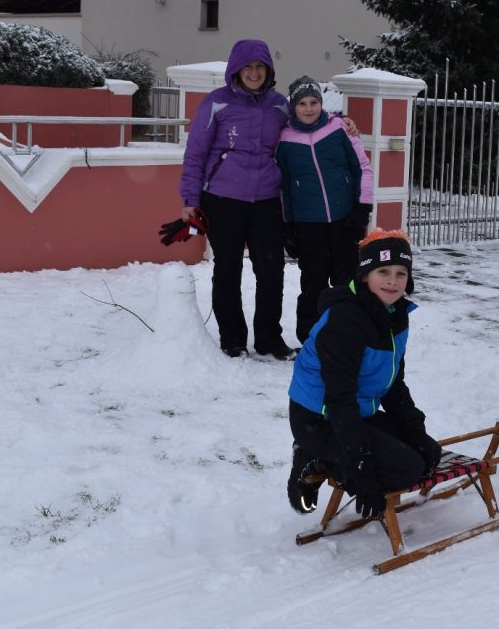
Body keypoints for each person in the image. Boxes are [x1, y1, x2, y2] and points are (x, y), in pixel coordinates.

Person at [285, 229, 442, 519]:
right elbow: (338, 396)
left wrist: (414, 430)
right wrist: (359, 466)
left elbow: (393, 384)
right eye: (383, 271)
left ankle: (334, 454)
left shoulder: (395, 316)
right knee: (404, 470)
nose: (392, 281)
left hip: (355, 413)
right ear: (365, 275)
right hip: (319, 417)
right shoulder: (346, 320)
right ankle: (314, 457)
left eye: (400, 273)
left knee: (425, 456)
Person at [178, 38, 296, 359]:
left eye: (260, 67)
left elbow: (307, 123)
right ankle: (233, 339)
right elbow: (196, 154)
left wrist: (342, 122)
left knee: (271, 271)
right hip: (223, 198)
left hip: (267, 200)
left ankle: (270, 339)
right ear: (236, 69)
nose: (254, 73)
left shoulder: (280, 105)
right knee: (227, 269)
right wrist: (190, 197)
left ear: (269, 70)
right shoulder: (216, 103)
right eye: (248, 67)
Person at [278, 76, 374, 344]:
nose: (309, 109)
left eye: (314, 102)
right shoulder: (285, 139)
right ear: (294, 107)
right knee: (313, 284)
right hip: (309, 224)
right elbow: (284, 186)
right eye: (302, 103)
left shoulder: (340, 129)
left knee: (348, 280)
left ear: (321, 104)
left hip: (345, 220)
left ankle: (352, 333)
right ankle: (311, 338)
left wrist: (362, 206)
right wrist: (289, 225)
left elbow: (362, 168)